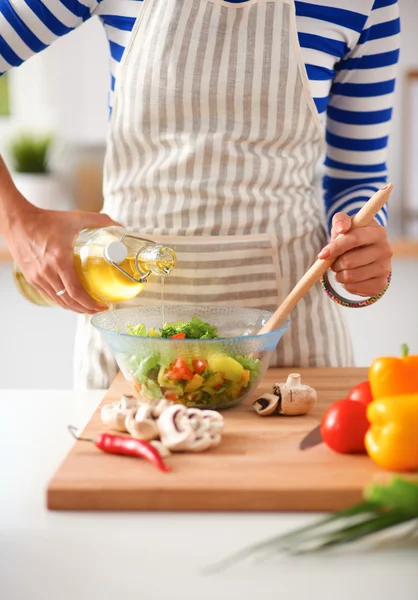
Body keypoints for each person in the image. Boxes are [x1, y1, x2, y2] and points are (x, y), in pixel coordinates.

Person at [0, 0, 399, 389]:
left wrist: (361, 245)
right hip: (130, 340)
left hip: (291, 335)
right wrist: (18, 223)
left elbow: (358, 176)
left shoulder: (367, 4)